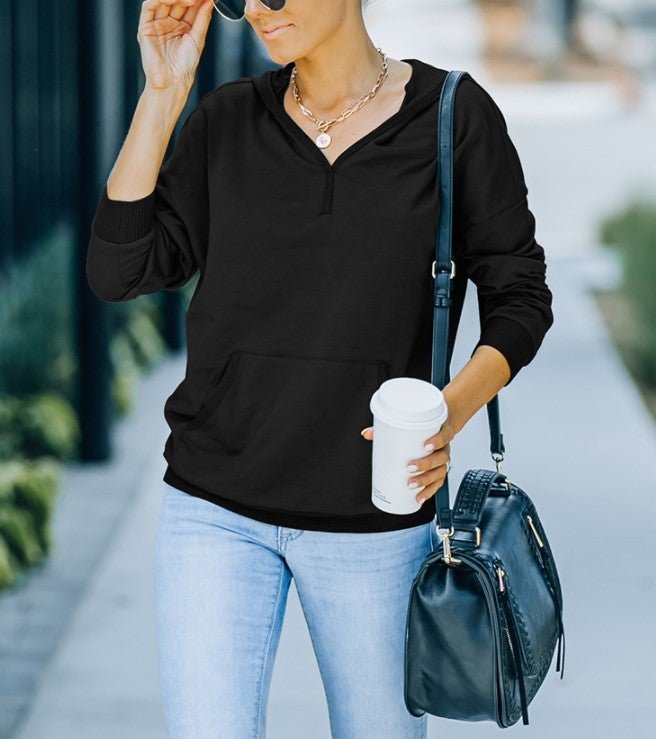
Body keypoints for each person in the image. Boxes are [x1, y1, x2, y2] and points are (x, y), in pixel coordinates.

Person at [85, 0, 554, 736]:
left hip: (376, 523)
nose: (259, 13)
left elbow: (520, 295)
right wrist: (163, 94)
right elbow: (120, 269)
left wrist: (449, 412)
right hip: (215, 512)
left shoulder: (453, 117)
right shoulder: (224, 121)